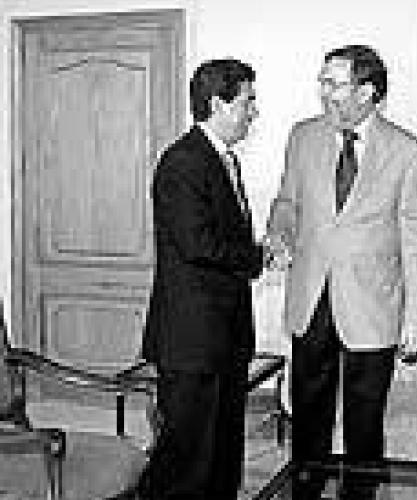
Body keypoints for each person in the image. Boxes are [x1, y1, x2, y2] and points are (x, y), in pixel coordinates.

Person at [266, 44, 417, 500]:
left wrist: (416, 320)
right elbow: (287, 201)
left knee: (364, 424)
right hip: (311, 298)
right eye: (322, 82)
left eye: (334, 84)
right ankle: (304, 493)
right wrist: (280, 232)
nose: (324, 92)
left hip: (372, 304)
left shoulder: (407, 151)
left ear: (367, 91)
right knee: (308, 417)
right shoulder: (303, 136)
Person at [107, 58, 265, 500]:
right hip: (192, 339)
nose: (254, 112)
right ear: (218, 104)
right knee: (186, 462)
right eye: (248, 101)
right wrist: (259, 255)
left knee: (223, 453)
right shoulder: (183, 162)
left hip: (225, 336)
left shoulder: (223, 160)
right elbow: (199, 244)